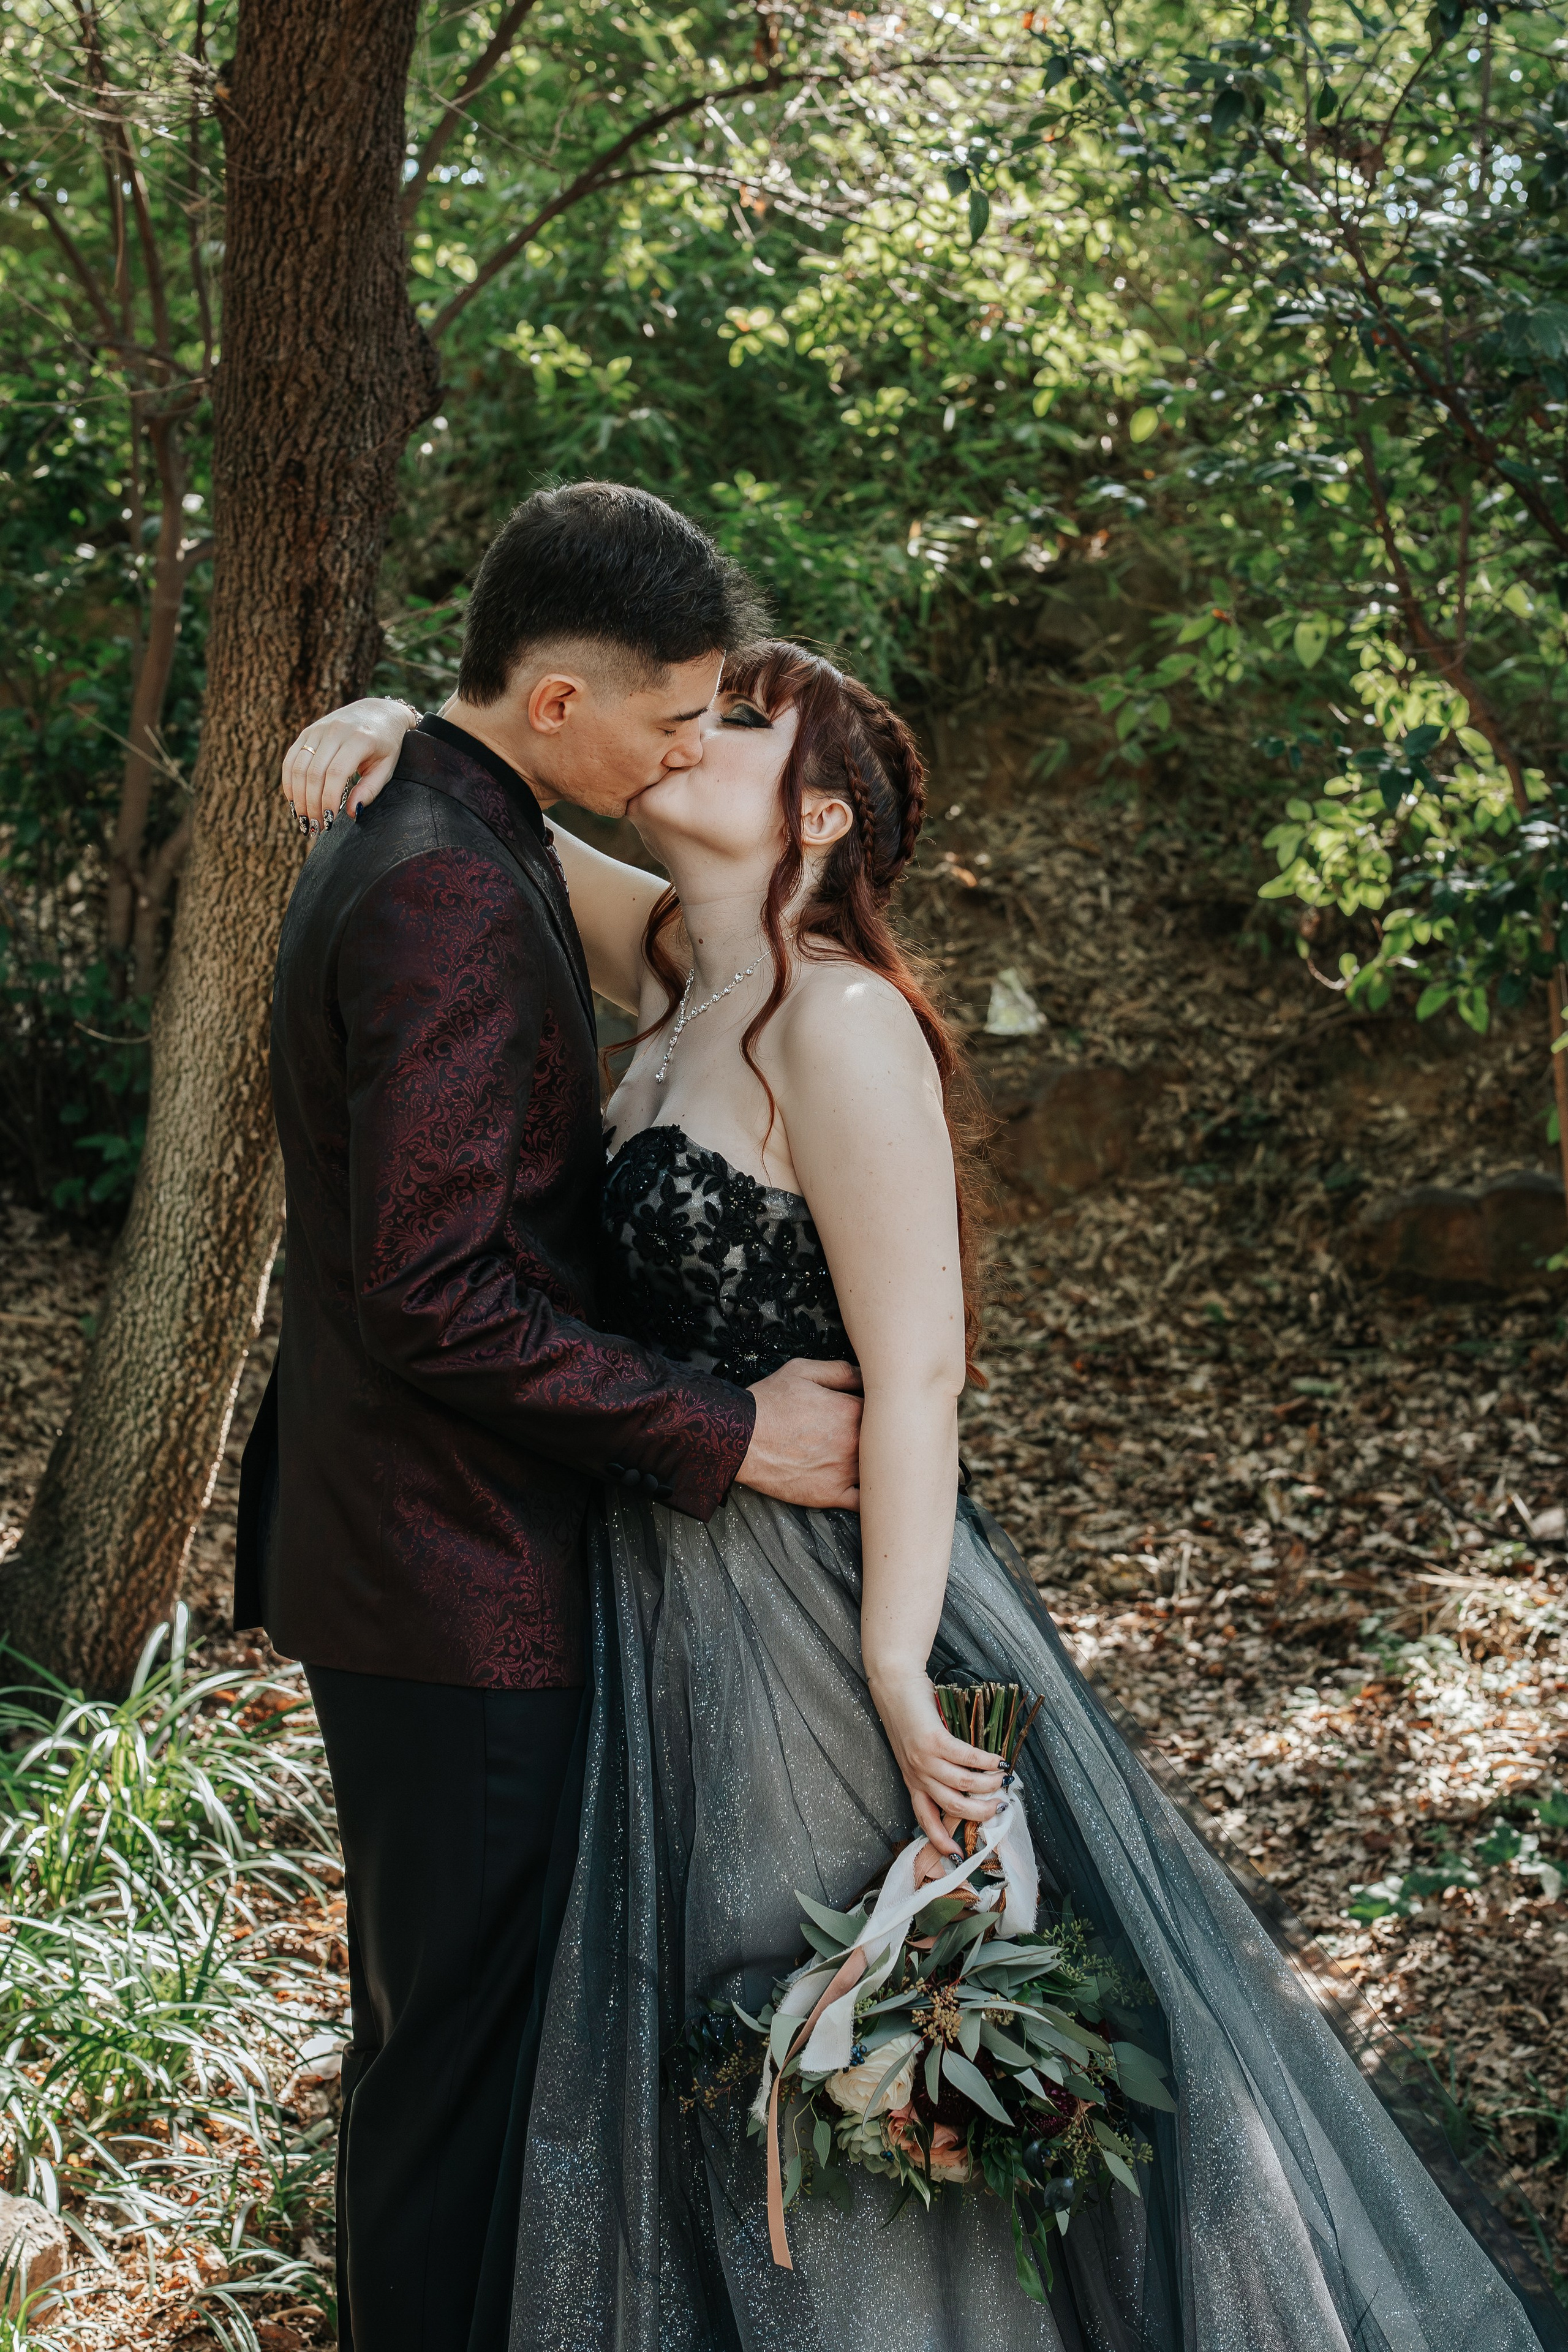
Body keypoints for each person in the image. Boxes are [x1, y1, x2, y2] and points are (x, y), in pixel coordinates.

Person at [287, 630, 1566, 2351]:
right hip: (664, 1599)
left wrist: (902, 1667)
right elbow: (503, 814)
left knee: (839, 2046)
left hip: (825, 1616)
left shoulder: (843, 1025)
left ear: (813, 817)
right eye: (686, 702)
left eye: (736, 721)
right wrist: (394, 721)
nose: (689, 729)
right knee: (711, 2068)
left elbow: (925, 1375)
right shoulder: (683, 974)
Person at [239, 486, 872, 2352]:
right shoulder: (444, 878)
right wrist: (722, 1428)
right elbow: (435, 1292)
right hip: (453, 1577)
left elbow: (698, 936)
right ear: (555, 709)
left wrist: (377, 709)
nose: (694, 740)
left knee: (445, 2055)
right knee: (455, 2077)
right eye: (673, 711)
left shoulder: (469, 816)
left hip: (427, 1555)